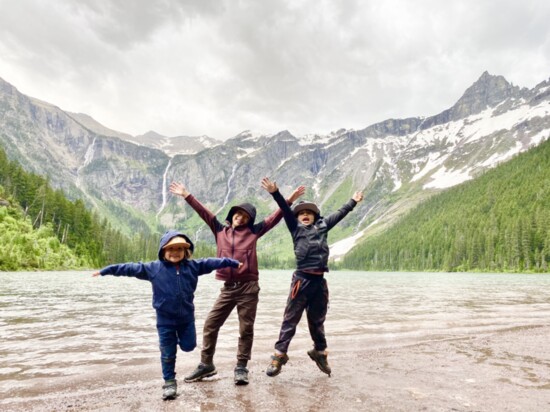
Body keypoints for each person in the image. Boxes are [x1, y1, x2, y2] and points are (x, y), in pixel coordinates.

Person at [169, 181, 305, 385]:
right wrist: (187, 194)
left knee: (245, 329)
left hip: (249, 287)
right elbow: (203, 212)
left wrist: (290, 199)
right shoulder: (219, 230)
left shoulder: (254, 232)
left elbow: (275, 217)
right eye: (237, 214)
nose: (240, 217)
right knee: (211, 324)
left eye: (245, 216)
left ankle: (241, 367)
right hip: (228, 288)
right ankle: (206, 364)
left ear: (249, 220)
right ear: (232, 214)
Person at [92, 230, 241, 400]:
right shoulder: (153, 269)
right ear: (163, 251)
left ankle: (177, 341)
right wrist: (106, 270)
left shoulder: (194, 266)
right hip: (165, 322)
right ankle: (169, 383)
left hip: (186, 320)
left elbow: (213, 262)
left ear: (186, 251)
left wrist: (232, 263)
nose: (175, 252)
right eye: (170, 249)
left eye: (179, 249)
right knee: (167, 354)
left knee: (189, 346)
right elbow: (128, 268)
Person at [260, 177, 364, 377]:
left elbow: (340, 213)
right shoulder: (295, 228)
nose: (305, 215)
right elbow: (283, 207)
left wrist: (353, 201)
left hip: (319, 282)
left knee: (317, 320)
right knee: (290, 319)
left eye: (309, 213)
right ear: (297, 217)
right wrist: (275, 192)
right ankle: (278, 356)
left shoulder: (323, 226)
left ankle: (319, 352)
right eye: (301, 213)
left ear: (315, 216)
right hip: (301, 280)